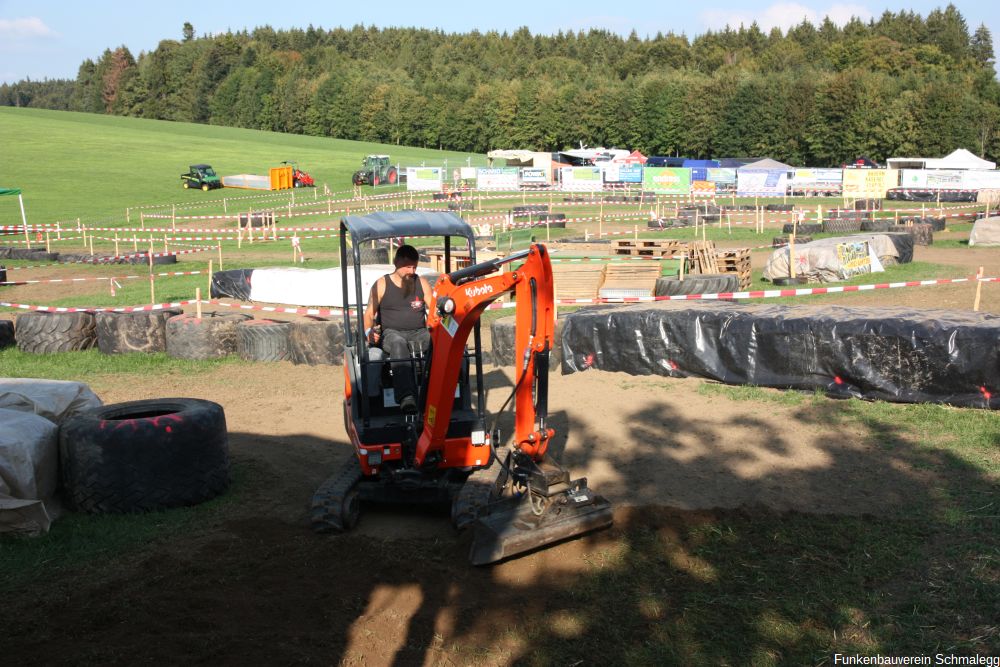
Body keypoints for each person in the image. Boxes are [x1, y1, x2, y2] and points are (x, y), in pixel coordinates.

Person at [363, 245, 432, 413]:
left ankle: (439, 390)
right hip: (391, 334)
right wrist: (368, 333)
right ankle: (406, 398)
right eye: (408, 266)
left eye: (414, 266)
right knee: (398, 344)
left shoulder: (421, 282)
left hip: (419, 333)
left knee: (438, 340)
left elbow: (434, 309)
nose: (412, 270)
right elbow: (368, 314)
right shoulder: (382, 284)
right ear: (396, 263)